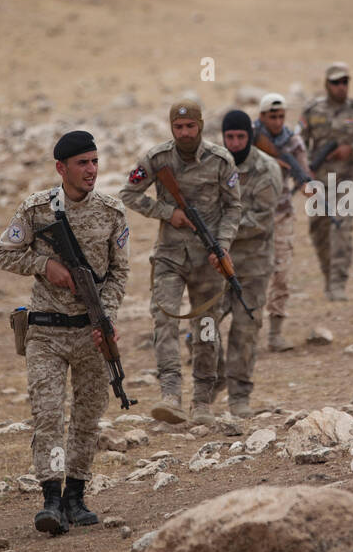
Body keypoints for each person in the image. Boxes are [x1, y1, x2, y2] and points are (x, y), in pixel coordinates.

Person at [0, 131, 129, 535]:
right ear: (61, 168)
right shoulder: (36, 209)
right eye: (82, 163)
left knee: (87, 416)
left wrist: (109, 318)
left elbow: (120, 272)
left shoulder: (112, 212)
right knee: (48, 413)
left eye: (95, 161)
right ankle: (51, 499)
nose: (91, 170)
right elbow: (3, 253)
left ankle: (76, 496)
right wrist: (44, 265)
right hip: (47, 332)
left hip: (91, 332)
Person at [118, 99, 241, 425]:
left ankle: (202, 401)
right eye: (178, 127)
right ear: (171, 128)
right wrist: (167, 213)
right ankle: (170, 395)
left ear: (200, 125)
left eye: (190, 126)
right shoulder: (157, 159)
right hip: (170, 256)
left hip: (208, 258)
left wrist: (223, 245)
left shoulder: (220, 160)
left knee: (205, 326)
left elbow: (233, 208)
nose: (185, 133)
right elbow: (128, 193)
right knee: (165, 321)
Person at [210, 110, 281, 416]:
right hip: (214, 264)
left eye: (241, 137)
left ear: (250, 137)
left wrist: (221, 230)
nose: (235, 143)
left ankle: (239, 394)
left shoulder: (267, 168)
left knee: (245, 328)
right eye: (230, 137)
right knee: (201, 326)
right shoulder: (213, 166)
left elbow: (261, 221)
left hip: (252, 264)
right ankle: (214, 376)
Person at [300, 62, 353, 300]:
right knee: (319, 230)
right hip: (319, 182)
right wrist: (305, 172)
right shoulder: (312, 111)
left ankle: (338, 283)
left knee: (342, 230)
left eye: (345, 82)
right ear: (327, 85)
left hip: (346, 181)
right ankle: (328, 275)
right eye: (336, 83)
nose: (341, 87)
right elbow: (299, 145)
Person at [255, 93, 306, 352]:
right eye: (272, 117)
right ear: (262, 117)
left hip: (283, 214)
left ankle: (275, 333)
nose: (277, 122)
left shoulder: (293, 141)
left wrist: (307, 182)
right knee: (251, 278)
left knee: (281, 276)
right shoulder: (246, 138)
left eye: (281, 116)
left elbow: (304, 174)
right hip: (252, 217)